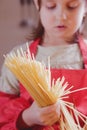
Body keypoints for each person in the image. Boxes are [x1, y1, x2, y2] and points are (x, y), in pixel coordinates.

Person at [0, 0, 87, 130]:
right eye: (51, 6)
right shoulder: (18, 58)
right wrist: (28, 117)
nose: (61, 16)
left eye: (72, 7)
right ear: (37, 4)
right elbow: (3, 116)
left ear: (85, 7)